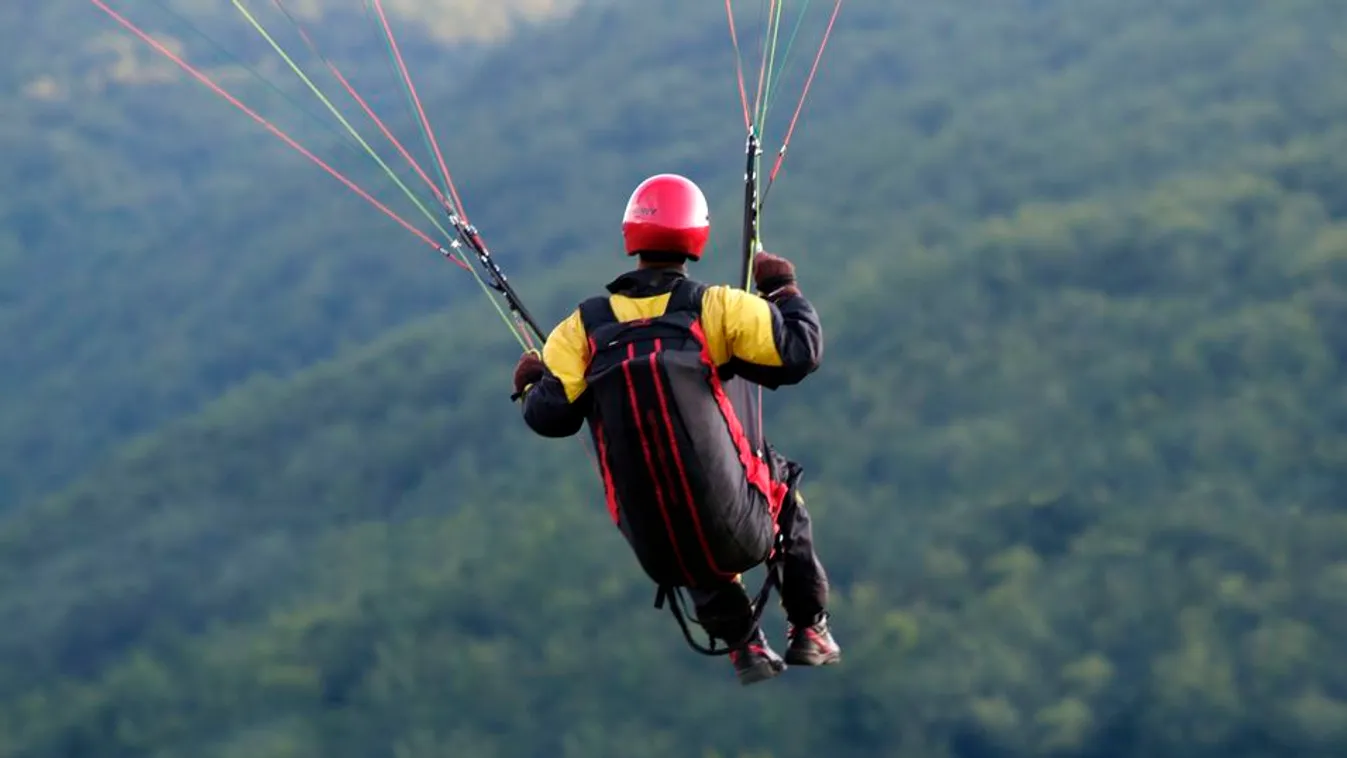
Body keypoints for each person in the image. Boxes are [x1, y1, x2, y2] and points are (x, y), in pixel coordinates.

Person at [511, 173, 840, 685]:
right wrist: (782, 288)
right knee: (777, 483)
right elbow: (800, 352)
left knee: (667, 484)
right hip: (741, 532)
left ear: (631, 235)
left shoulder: (581, 328)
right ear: (696, 235)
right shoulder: (715, 308)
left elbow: (549, 416)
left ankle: (742, 644)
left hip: (659, 552)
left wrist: (531, 383)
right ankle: (809, 628)